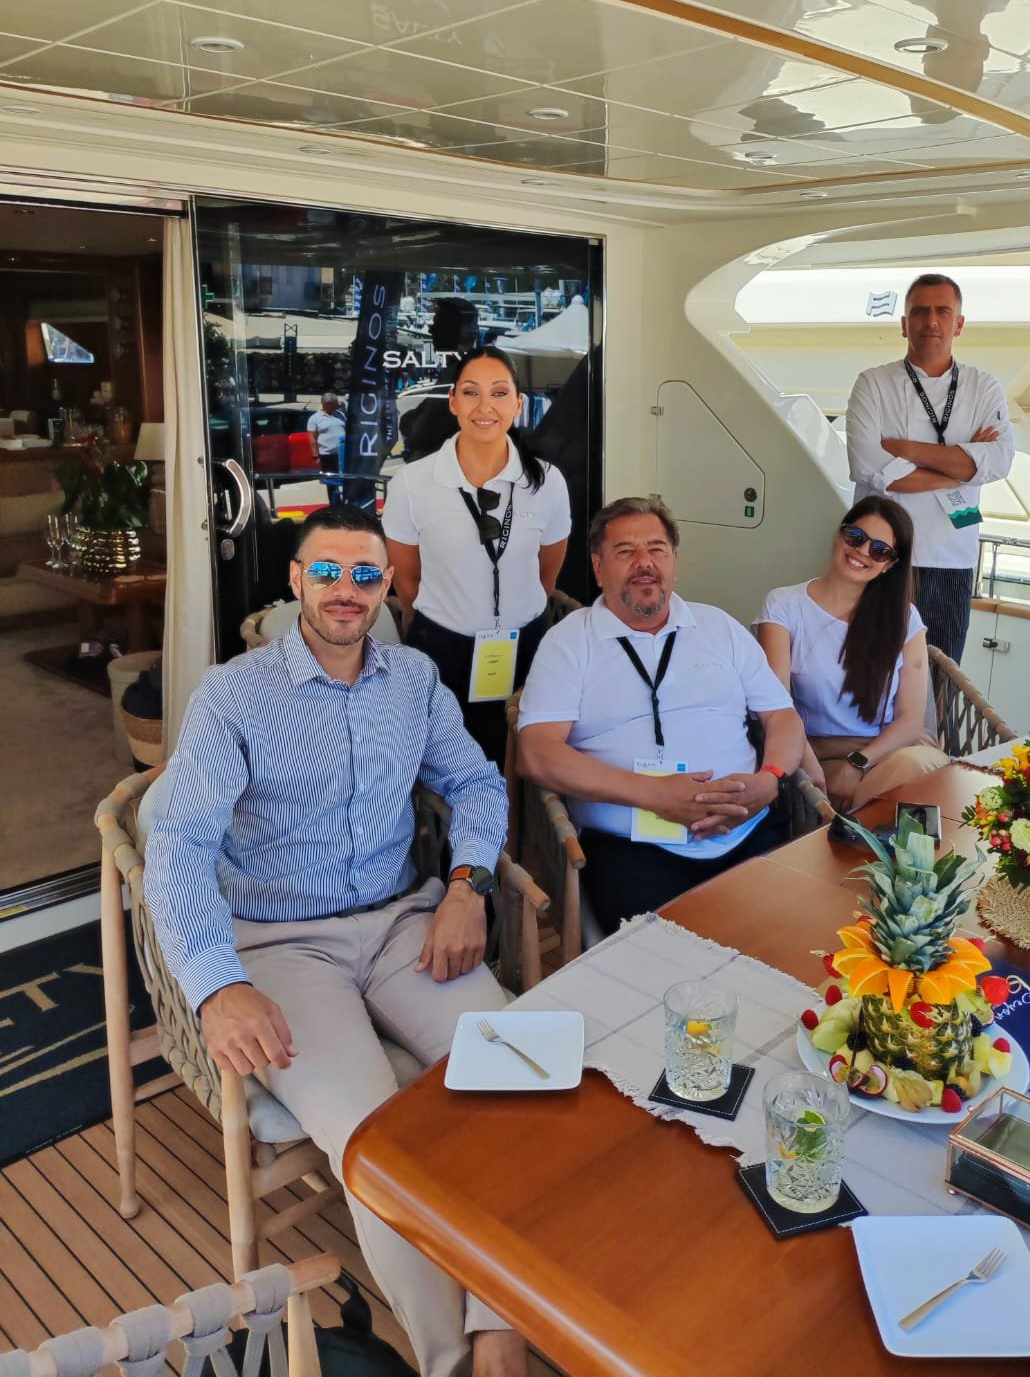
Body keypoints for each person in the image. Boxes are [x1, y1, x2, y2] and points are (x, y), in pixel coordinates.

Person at [143, 504, 525, 1377]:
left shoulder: (414, 679)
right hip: (281, 947)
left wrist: (466, 886)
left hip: (404, 925)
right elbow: (180, 844)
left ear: (387, 585)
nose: (344, 590)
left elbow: (474, 782)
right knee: (374, 1137)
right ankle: (450, 1363)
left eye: (363, 574)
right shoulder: (234, 694)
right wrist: (216, 986)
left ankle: (498, 1322)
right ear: (295, 581)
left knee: (515, 1081)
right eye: (325, 571)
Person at [516, 496, 804, 934]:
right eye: (625, 551)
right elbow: (536, 753)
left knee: (791, 940)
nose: (644, 563)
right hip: (635, 850)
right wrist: (653, 794)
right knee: (666, 965)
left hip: (749, 831)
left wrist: (770, 780)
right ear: (598, 568)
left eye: (657, 549)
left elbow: (782, 716)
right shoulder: (569, 642)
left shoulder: (718, 627)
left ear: (674, 561)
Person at [383, 347, 570, 766]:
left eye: (499, 393)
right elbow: (407, 583)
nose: (485, 406)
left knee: (521, 766)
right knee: (447, 767)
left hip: (527, 647)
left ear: (518, 404)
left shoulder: (548, 482)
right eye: (471, 392)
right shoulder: (412, 484)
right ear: (453, 402)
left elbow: (547, 574)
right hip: (441, 650)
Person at [844, 272, 1015, 662]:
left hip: (952, 556)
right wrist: (961, 466)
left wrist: (904, 449)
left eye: (942, 311)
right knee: (871, 669)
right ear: (904, 324)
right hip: (879, 554)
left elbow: (999, 461)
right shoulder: (873, 384)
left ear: (959, 324)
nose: (931, 321)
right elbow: (868, 466)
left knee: (941, 671)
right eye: (920, 312)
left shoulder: (983, 387)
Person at [756, 496, 949, 810]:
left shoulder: (903, 617)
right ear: (839, 535)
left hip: (894, 749)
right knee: (911, 790)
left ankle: (858, 835)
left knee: (914, 768)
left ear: (890, 564)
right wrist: (811, 766)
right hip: (822, 753)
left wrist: (857, 764)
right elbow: (778, 705)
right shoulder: (784, 606)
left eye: (879, 550)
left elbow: (911, 720)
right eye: (856, 537)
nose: (862, 551)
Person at [307, 392, 346, 503]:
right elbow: (312, 438)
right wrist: (315, 455)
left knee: (346, 479)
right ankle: (335, 504)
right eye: (335, 403)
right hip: (327, 455)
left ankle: (346, 503)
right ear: (326, 404)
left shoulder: (341, 415)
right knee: (332, 482)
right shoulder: (315, 418)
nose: (338, 405)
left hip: (343, 453)